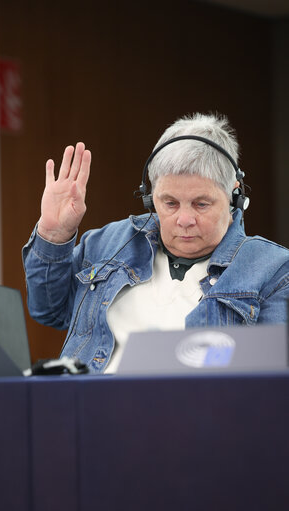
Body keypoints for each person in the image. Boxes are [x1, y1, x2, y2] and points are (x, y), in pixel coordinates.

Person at [22, 113, 289, 373]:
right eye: (170, 203)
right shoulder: (107, 244)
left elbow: (271, 382)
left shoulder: (273, 270)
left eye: (201, 204)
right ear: (150, 199)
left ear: (234, 196)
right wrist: (54, 235)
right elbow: (49, 312)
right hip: (87, 409)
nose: (184, 219)